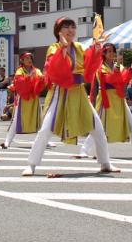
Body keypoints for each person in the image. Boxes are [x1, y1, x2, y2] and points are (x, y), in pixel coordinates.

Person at [22, 17, 117, 176]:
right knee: (45, 130)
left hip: (78, 92)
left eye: (73, 27)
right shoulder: (54, 48)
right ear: (58, 32)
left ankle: (105, 163)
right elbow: (55, 69)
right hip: (61, 92)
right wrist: (63, 51)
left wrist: (97, 47)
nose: (70, 30)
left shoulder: (80, 47)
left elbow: (89, 67)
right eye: (66, 27)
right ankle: (31, 164)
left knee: (97, 128)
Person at [78, 44, 132, 159]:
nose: (111, 53)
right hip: (106, 99)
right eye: (108, 51)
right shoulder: (100, 68)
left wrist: (131, 69)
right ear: (103, 53)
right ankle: (84, 150)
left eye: (112, 51)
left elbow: (124, 80)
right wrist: (118, 68)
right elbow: (110, 79)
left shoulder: (118, 66)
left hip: (119, 98)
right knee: (98, 126)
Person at [1, 53, 46, 149]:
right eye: (26, 58)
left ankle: (45, 141)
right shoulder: (19, 71)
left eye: (30, 58)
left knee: (40, 121)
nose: (29, 60)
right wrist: (30, 77)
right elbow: (19, 82)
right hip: (23, 100)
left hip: (34, 99)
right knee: (15, 121)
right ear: (22, 60)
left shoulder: (36, 70)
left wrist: (43, 78)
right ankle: (7, 142)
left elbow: (41, 81)